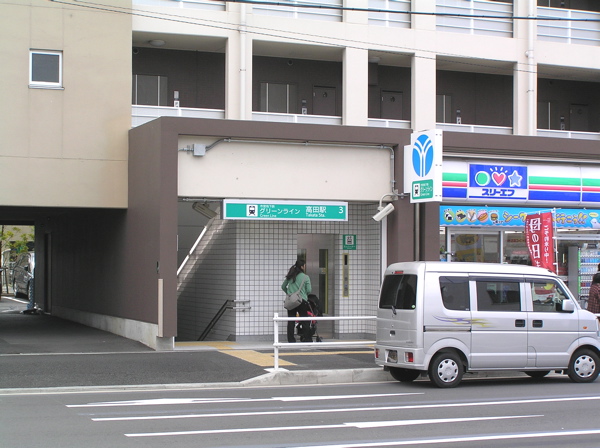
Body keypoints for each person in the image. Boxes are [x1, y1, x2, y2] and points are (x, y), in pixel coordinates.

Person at [281, 259, 312, 343]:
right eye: (304, 265)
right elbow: (309, 290)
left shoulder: (291, 276)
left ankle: (291, 340)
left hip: (291, 301)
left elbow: (283, 286)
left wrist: (289, 294)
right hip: (302, 301)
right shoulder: (305, 277)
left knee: (291, 320)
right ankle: (307, 339)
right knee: (304, 320)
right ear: (302, 267)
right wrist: (304, 294)